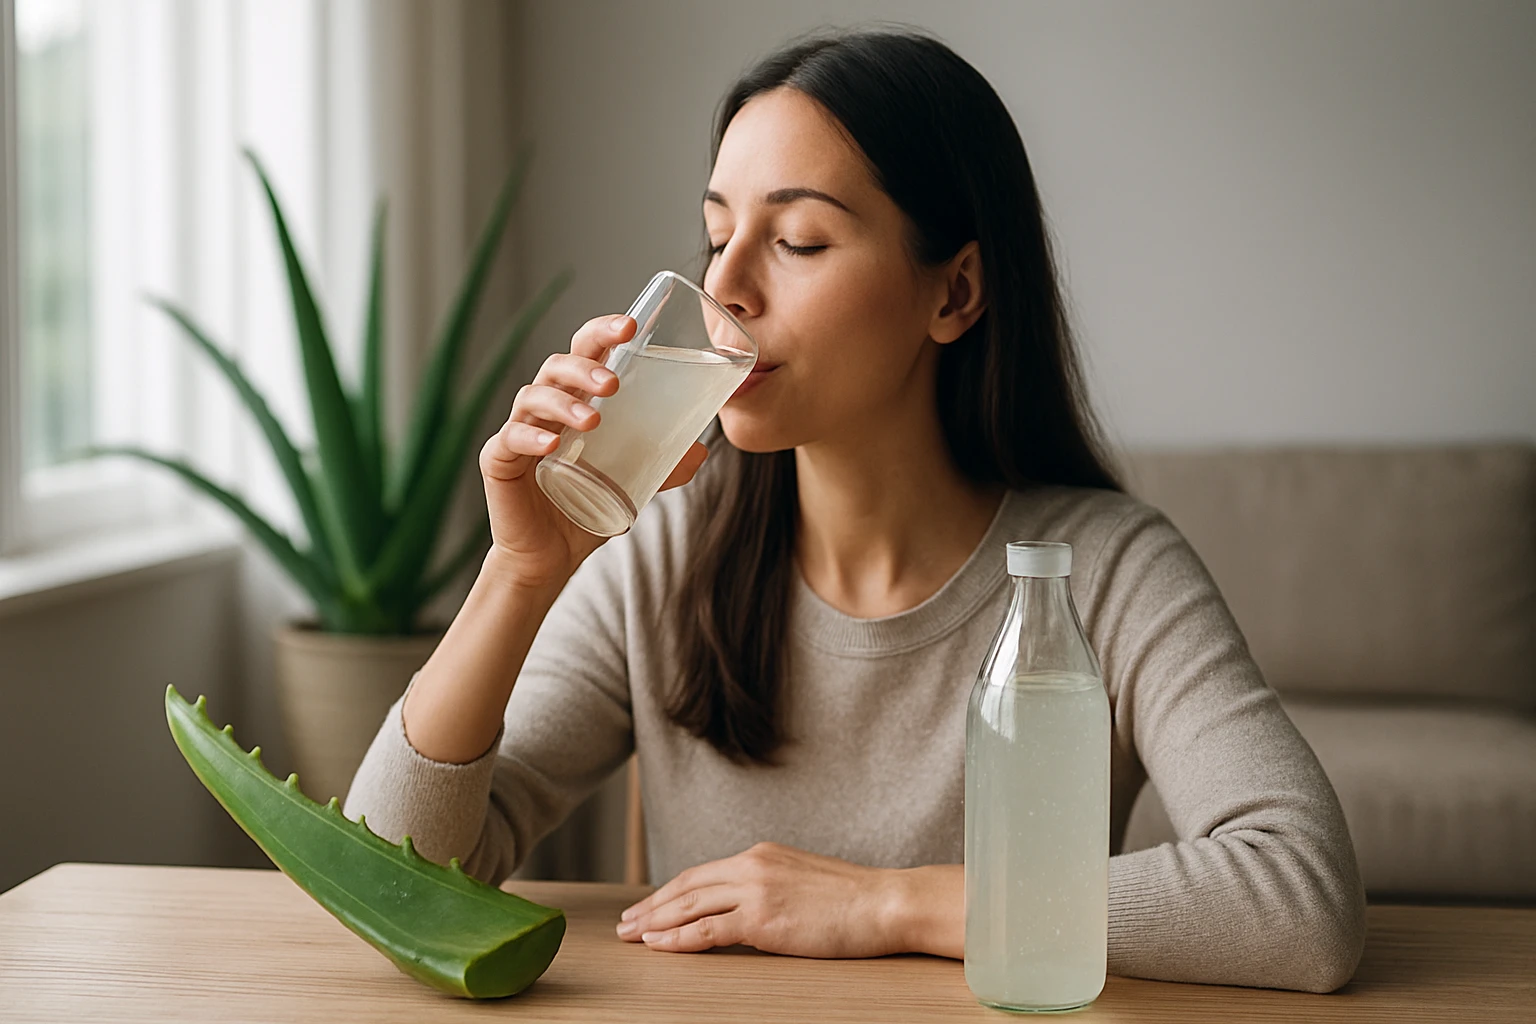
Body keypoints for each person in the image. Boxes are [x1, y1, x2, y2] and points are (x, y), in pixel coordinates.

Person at [345, 27, 1365, 992]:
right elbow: (391, 879)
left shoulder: (1104, 571)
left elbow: (1301, 899)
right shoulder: (661, 555)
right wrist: (521, 574)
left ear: (954, 294)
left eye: (797, 240)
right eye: (716, 234)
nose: (725, 286)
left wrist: (884, 904)